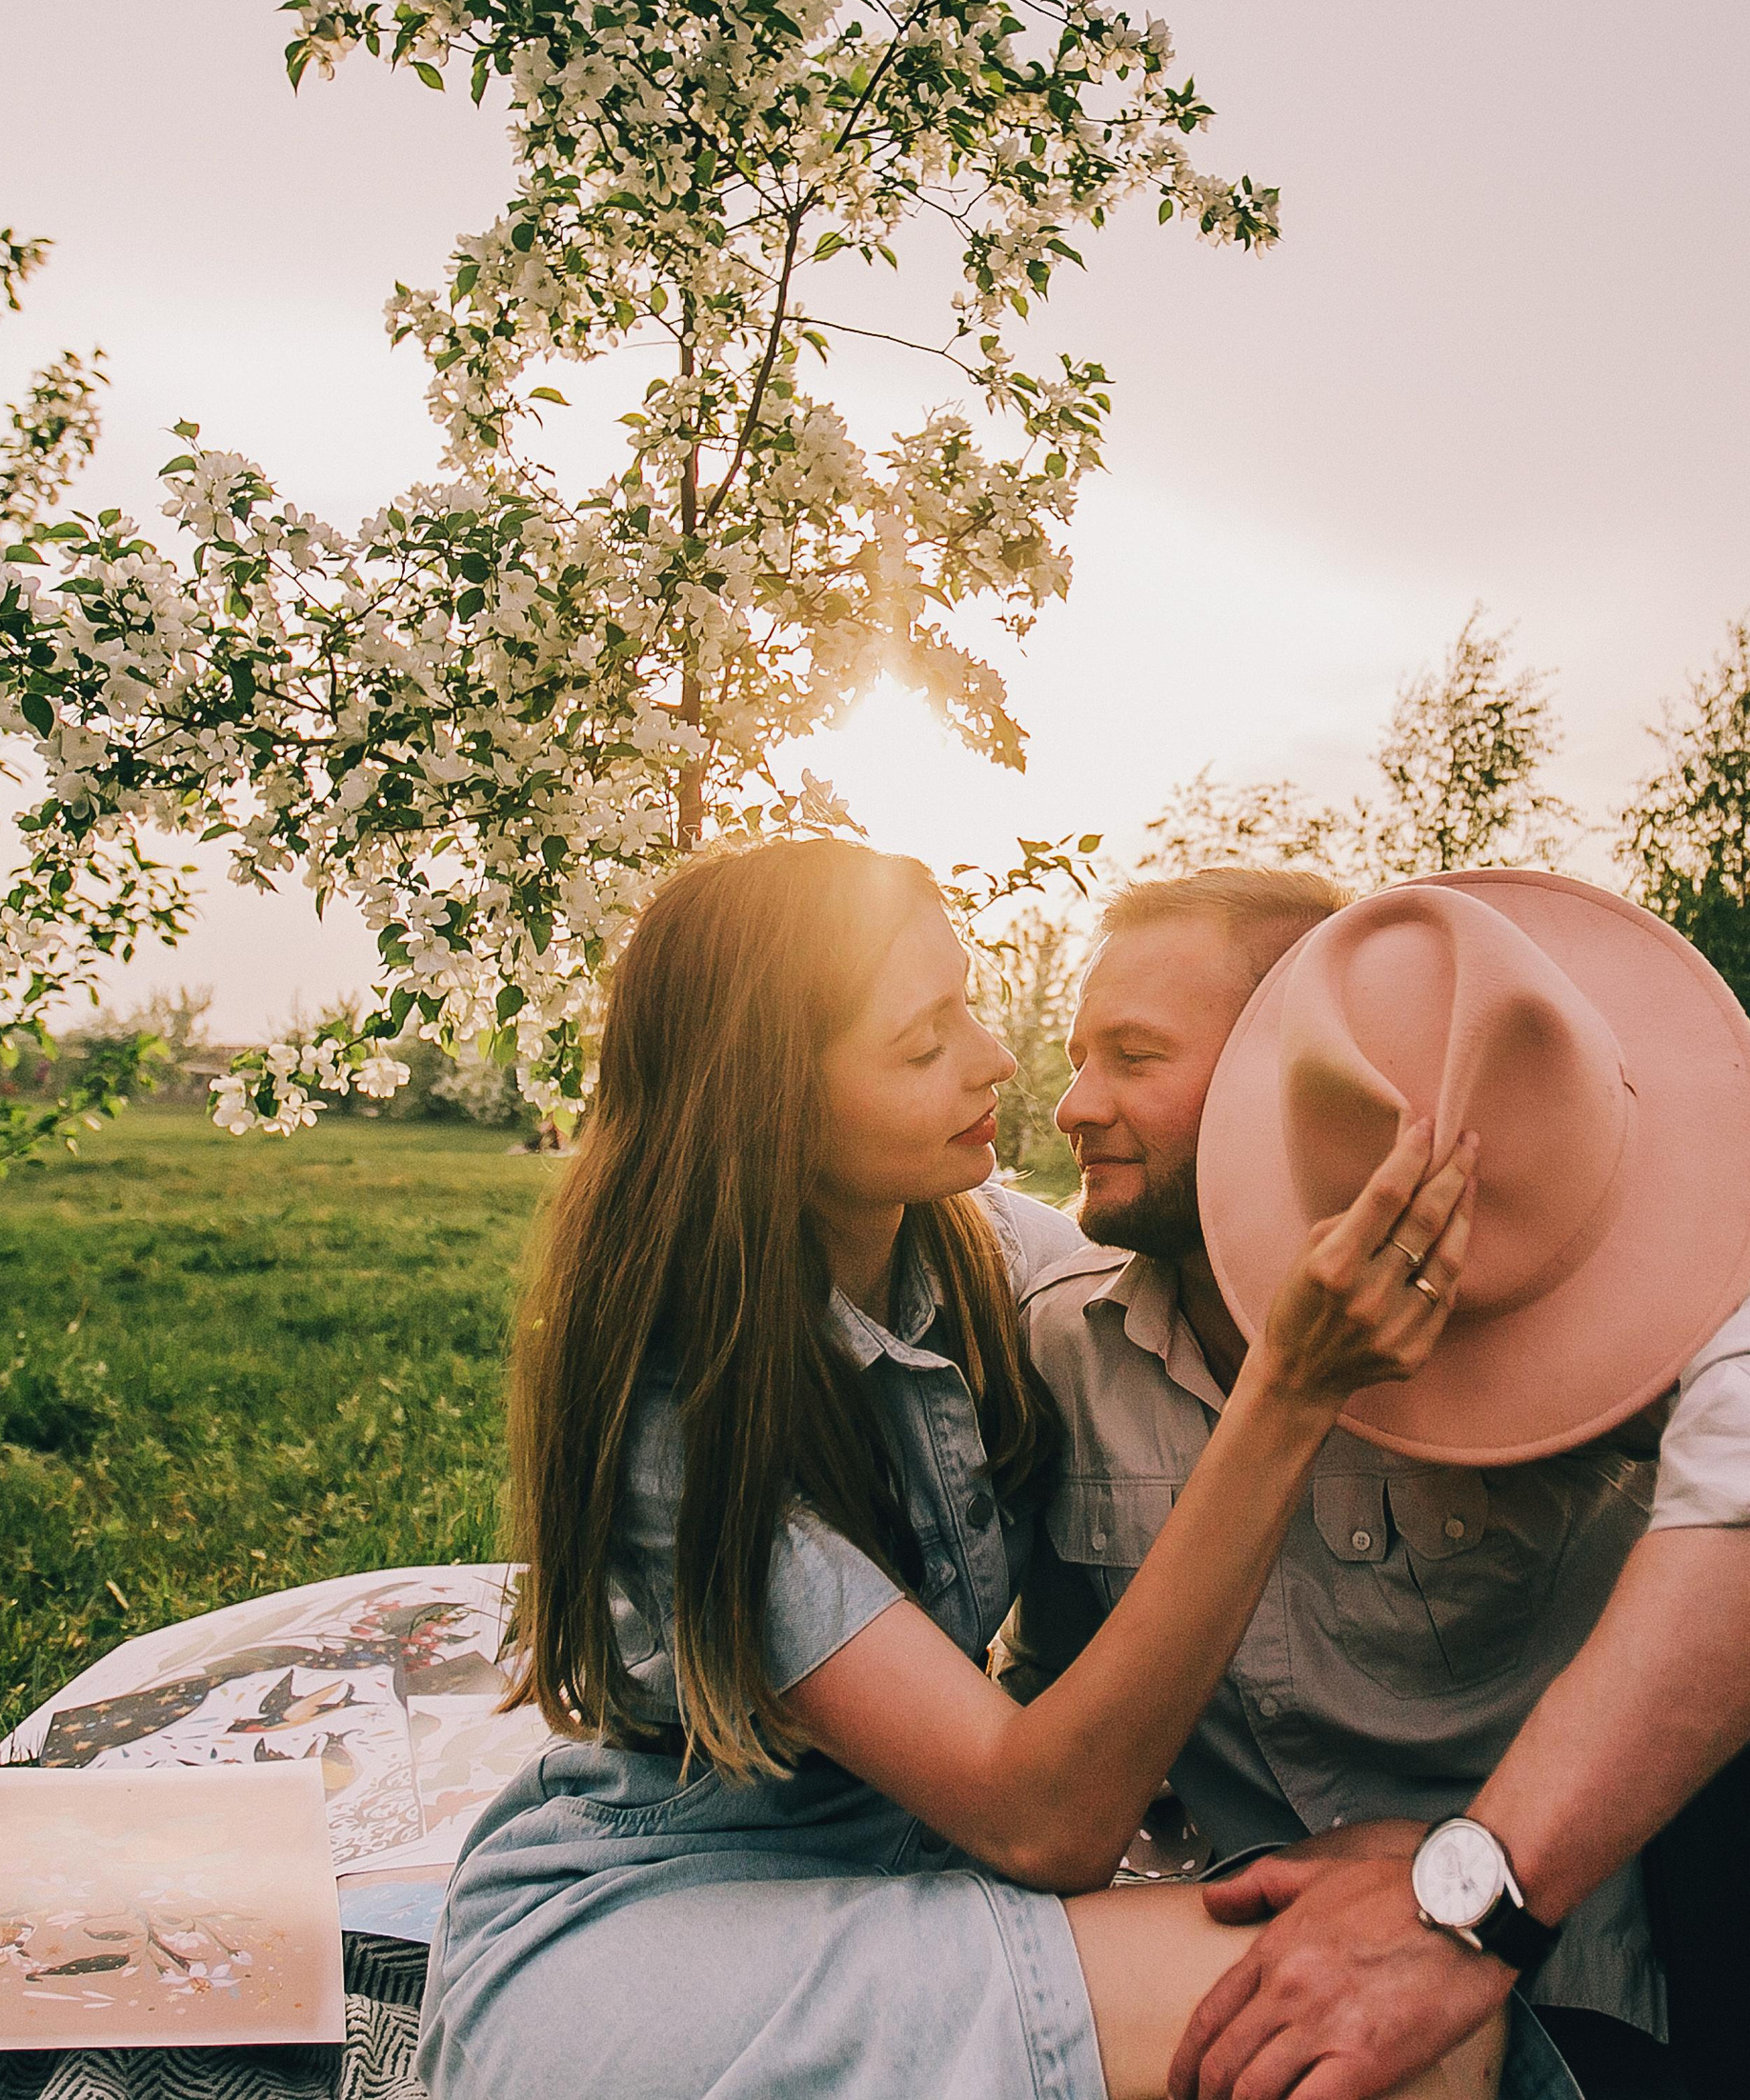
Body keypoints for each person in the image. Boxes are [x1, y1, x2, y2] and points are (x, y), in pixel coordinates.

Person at [416, 838, 1576, 2100]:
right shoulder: (684, 1418)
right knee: (1397, 2017)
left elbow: (1201, 1236)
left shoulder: (974, 1257)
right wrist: (1290, 1390)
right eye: (924, 1044)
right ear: (773, 1105)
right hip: (666, 1931)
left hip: (903, 1871)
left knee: (1398, 1995)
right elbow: (1044, 1819)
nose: (998, 1061)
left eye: (966, 1001)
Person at [1002, 866, 1750, 2100]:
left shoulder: (1546, 1309)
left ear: (1274, 1064)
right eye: (1079, 1053)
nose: (1074, 1103)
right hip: (1264, 1977)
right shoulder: (1060, 1342)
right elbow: (1054, 1691)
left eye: (1132, 1056)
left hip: (1571, 1968)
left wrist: (1467, 1892)